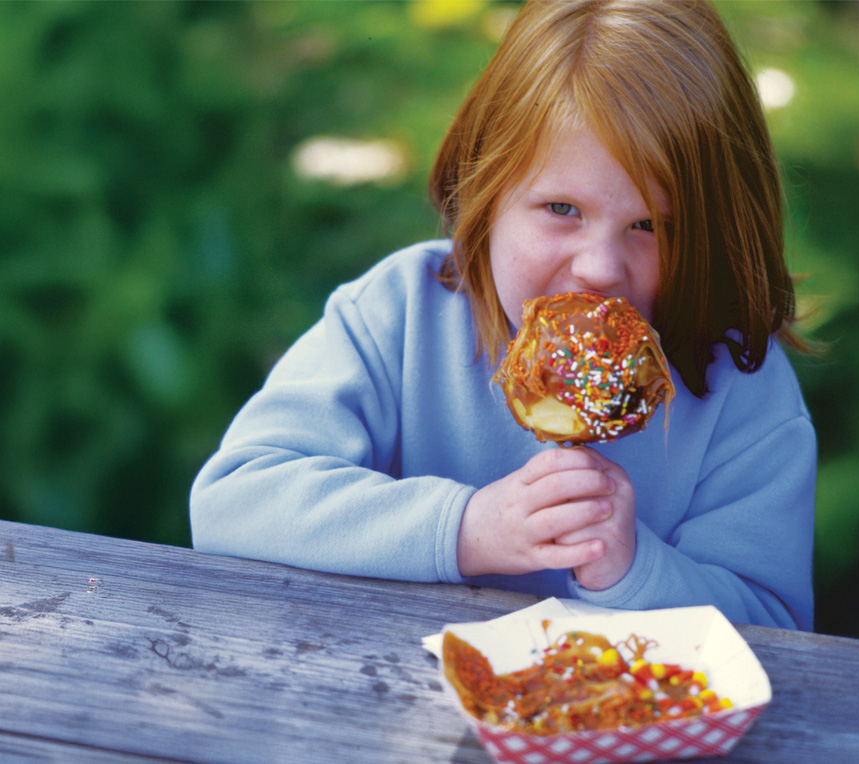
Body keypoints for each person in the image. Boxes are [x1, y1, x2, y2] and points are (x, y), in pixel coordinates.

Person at [190, 0, 817, 630]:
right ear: (487, 194)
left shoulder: (743, 391)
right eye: (561, 209)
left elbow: (775, 629)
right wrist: (466, 529)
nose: (601, 268)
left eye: (650, 225)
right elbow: (233, 501)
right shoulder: (399, 317)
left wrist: (632, 568)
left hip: (624, 718)